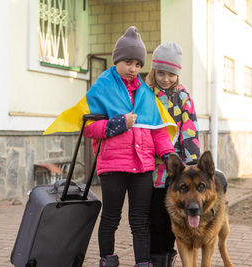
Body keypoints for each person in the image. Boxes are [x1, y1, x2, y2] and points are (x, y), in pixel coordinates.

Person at [82, 27, 175, 267]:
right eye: (127, 62)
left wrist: (168, 156)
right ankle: (107, 260)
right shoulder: (102, 88)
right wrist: (118, 123)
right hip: (113, 167)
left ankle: (143, 263)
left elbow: (158, 131)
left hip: (142, 168)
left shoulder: (146, 94)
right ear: (117, 61)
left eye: (137, 64)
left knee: (140, 221)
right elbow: (88, 127)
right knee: (111, 218)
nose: (132, 69)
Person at [145, 42, 201, 266]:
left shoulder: (183, 98)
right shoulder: (145, 94)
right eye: (161, 73)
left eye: (171, 74)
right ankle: (153, 259)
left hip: (174, 174)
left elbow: (190, 133)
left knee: (172, 221)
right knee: (153, 219)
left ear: (177, 74)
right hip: (148, 169)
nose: (165, 79)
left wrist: (191, 167)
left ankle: (166, 259)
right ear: (154, 71)